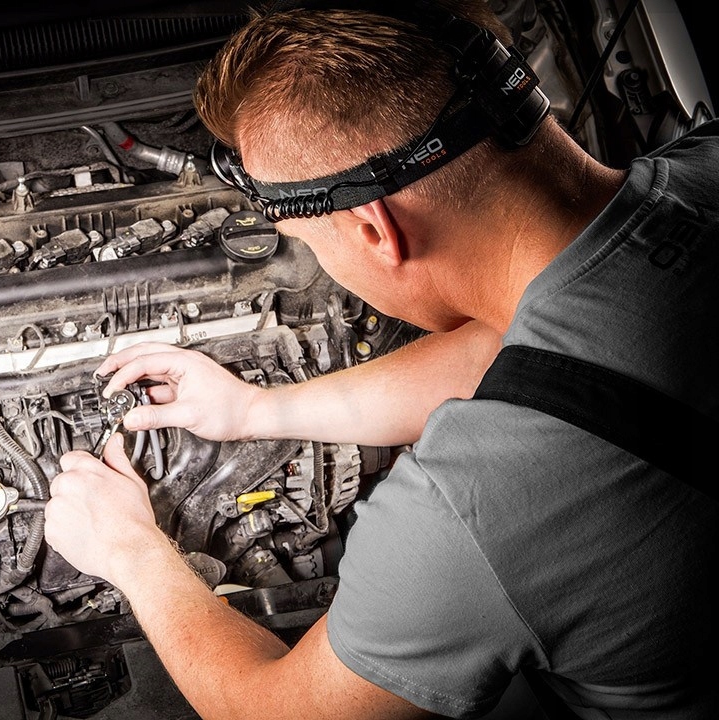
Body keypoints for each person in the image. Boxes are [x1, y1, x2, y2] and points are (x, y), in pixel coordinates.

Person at [43, 0, 718, 718]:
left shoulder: (473, 512)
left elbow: (273, 711)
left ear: (375, 228)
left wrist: (132, 553)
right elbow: (530, 353)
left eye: (306, 243)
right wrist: (253, 410)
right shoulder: (703, 163)